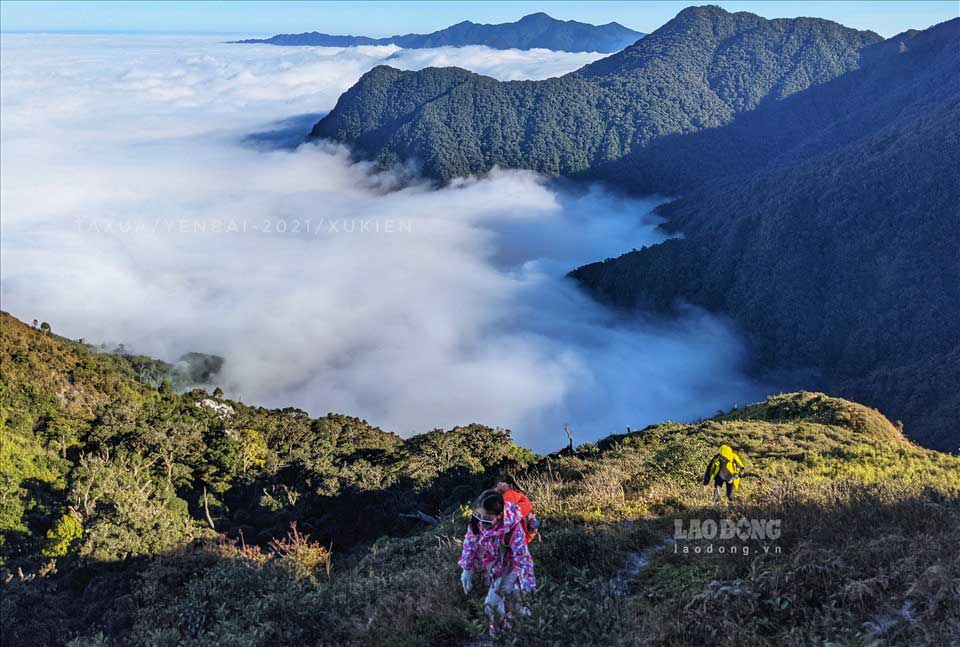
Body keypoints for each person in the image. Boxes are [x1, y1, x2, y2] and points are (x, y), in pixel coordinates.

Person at [458, 487, 536, 637]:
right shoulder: (477, 521)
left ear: (499, 515)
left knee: (504, 606)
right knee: (502, 605)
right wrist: (466, 569)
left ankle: (511, 636)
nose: (481, 522)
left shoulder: (513, 528)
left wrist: (528, 586)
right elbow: (470, 541)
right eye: (478, 516)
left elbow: (523, 560)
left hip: (512, 567)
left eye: (487, 519)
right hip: (495, 567)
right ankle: (508, 635)